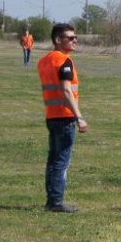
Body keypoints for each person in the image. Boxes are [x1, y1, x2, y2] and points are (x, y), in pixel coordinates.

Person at [37, 23, 88, 213]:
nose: (75, 40)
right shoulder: (65, 61)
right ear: (58, 40)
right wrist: (79, 117)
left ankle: (52, 199)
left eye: (76, 37)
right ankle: (56, 202)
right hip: (65, 117)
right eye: (71, 37)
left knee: (53, 160)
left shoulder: (44, 61)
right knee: (61, 161)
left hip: (51, 116)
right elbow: (66, 90)